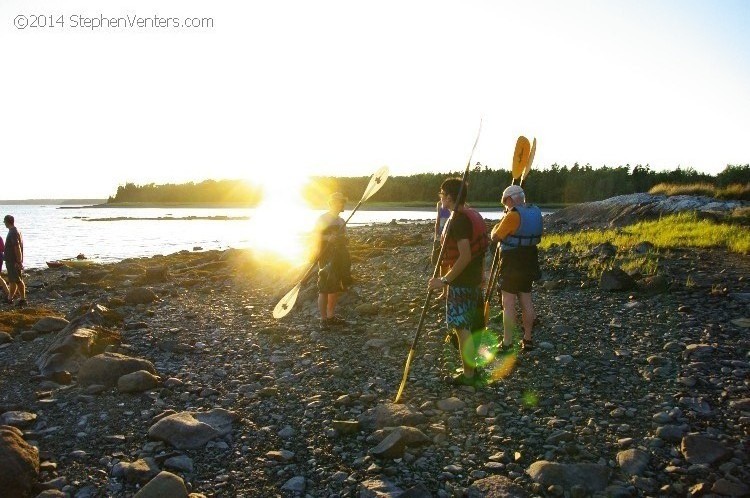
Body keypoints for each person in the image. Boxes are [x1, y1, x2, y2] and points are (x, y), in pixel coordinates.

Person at [428, 178, 488, 386]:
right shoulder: (472, 215)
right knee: (470, 327)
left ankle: (469, 375)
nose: (440, 198)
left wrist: (444, 281)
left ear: (451, 197)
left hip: (462, 283)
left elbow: (465, 255)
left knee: (462, 329)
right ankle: (474, 369)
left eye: (442, 195)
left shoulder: (459, 220)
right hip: (472, 281)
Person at [490, 185, 542, 351]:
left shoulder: (513, 215)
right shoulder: (534, 211)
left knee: (509, 302)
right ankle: (528, 339)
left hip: (512, 260)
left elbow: (496, 236)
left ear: (510, 199)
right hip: (530, 258)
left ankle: (507, 341)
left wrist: (495, 227)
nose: (505, 206)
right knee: (526, 299)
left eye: (505, 202)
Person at [315, 192, 352, 331]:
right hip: (325, 257)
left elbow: (347, 238)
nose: (341, 204)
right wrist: (327, 239)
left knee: (335, 288)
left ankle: (331, 317)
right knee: (324, 288)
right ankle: (323, 320)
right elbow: (314, 236)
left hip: (339, 257)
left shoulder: (341, 221)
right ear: (331, 203)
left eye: (342, 202)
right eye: (338, 202)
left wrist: (343, 238)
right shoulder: (323, 219)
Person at [4, 215, 26, 307]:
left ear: (7, 222)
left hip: (13, 261)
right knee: (13, 280)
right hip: (12, 260)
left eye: (4, 221)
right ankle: (11, 298)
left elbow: (17, 247)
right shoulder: (15, 231)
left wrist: (19, 261)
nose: (3, 223)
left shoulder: (13, 232)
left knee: (16, 280)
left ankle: (21, 299)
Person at [431, 199, 452, 297]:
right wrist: (436, 237)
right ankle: (445, 292)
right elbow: (438, 221)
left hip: (451, 236)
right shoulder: (439, 204)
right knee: (441, 264)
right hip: (441, 235)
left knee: (452, 263)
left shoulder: (458, 205)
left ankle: (451, 290)